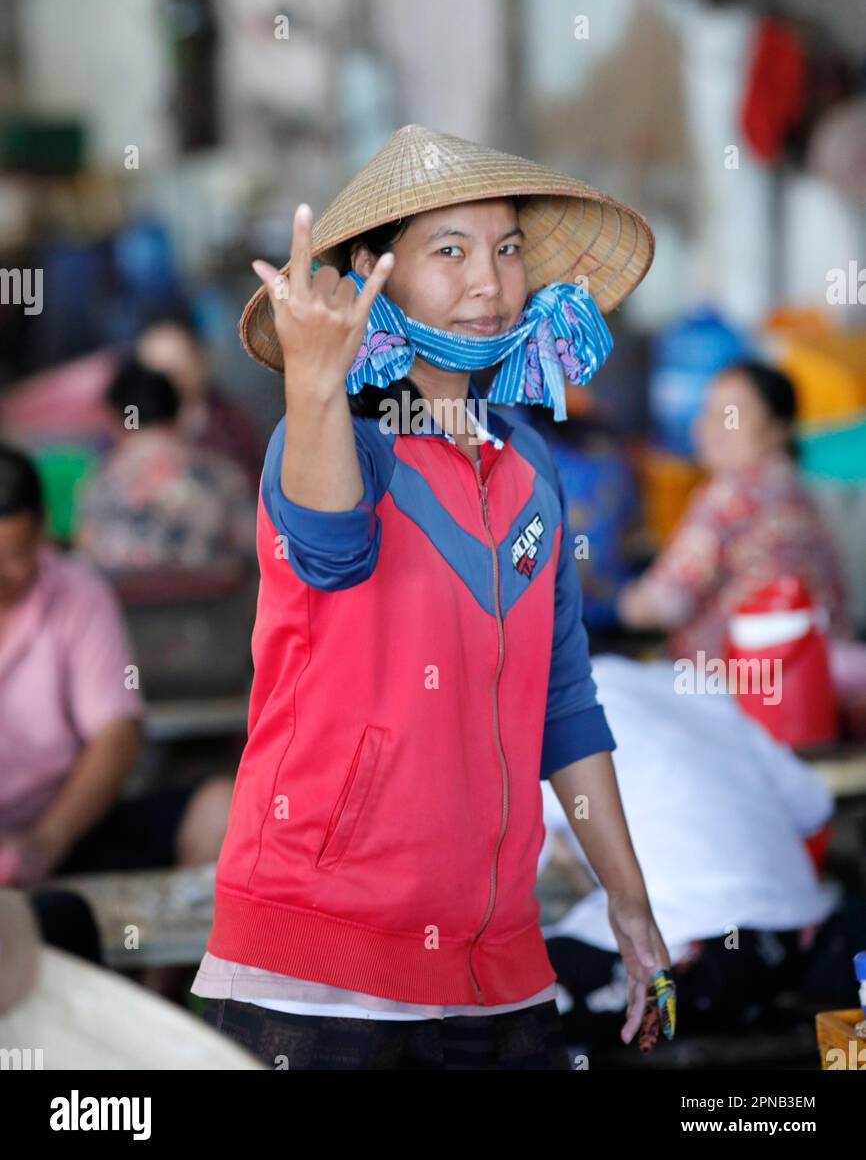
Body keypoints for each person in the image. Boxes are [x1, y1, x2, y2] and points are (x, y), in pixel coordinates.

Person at [192, 122, 670, 1071]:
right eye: (447, 252)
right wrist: (315, 379)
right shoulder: (334, 442)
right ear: (376, 274)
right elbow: (327, 552)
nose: (488, 284)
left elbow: (563, 707)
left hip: (499, 965)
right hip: (324, 970)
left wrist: (629, 899)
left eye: (506, 248)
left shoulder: (531, 465)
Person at [537, 655, 866, 1052]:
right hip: (797, 939)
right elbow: (813, 805)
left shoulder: (540, 712)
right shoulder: (684, 681)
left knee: (489, 993)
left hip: (693, 955)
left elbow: (495, 879)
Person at [0, 443, 234, 994]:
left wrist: (44, 842)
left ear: (41, 535)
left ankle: (157, 1015)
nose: (4, 576)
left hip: (65, 825)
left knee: (222, 812)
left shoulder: (77, 592)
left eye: (16, 554)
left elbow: (117, 733)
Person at [617, 359, 853, 664]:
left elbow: (665, 602)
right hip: (812, 682)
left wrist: (616, 601)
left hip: (730, 689)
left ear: (777, 429)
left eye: (731, 413)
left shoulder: (729, 495)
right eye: (708, 412)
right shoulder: (802, 493)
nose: (711, 426)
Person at [74, 357, 257, 577]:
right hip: (216, 609)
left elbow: (86, 565)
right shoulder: (226, 476)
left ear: (115, 419)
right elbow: (254, 554)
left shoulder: (100, 484)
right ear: (179, 413)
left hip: (131, 610)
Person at [135, 313, 265, 494]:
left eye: (178, 363)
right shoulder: (137, 431)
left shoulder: (230, 422)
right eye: (159, 370)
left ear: (199, 361)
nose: (172, 377)